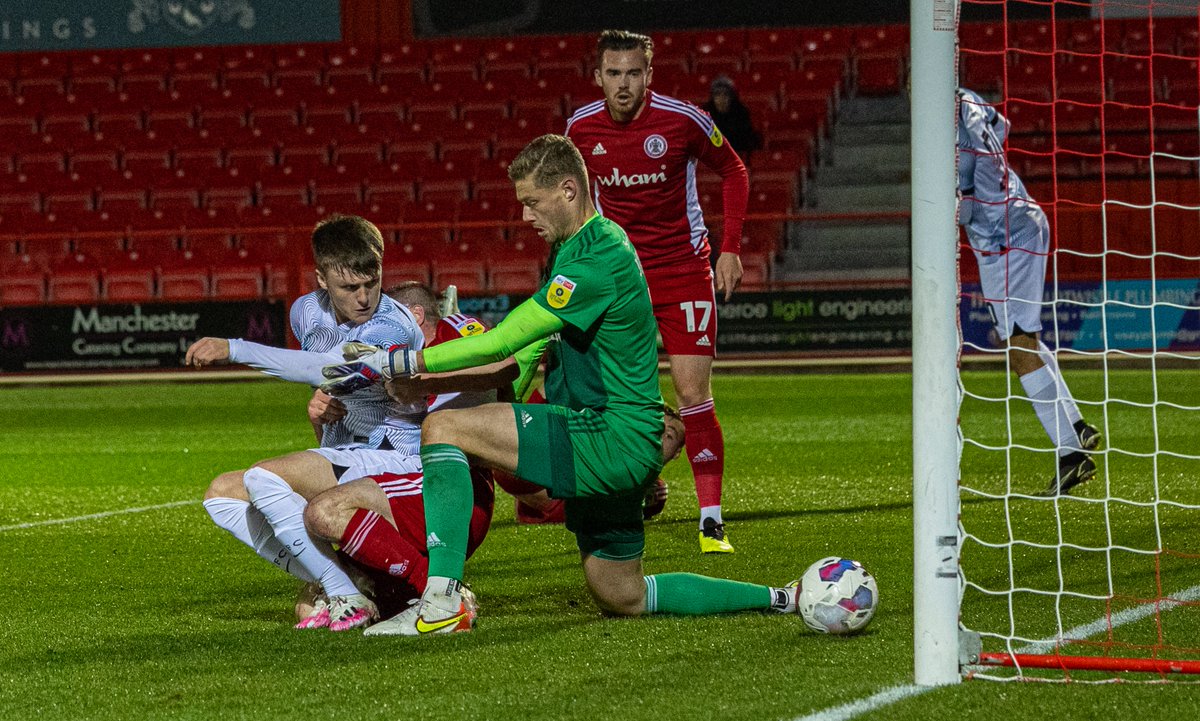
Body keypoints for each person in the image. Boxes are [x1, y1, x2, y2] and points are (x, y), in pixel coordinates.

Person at [321, 135, 800, 637]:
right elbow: (525, 353)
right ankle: (783, 597)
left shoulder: (595, 258)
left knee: (444, 429)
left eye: (532, 201)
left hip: (605, 435)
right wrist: (488, 391)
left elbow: (503, 340)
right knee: (623, 593)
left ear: (568, 190)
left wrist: (398, 359)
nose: (526, 216)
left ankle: (441, 602)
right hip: (624, 443)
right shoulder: (580, 248)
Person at [187, 214, 426, 631]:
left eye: (372, 282)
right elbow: (330, 383)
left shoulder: (392, 325)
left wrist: (235, 348)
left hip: (396, 455)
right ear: (321, 279)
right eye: (350, 287)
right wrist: (325, 406)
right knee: (221, 494)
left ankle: (344, 592)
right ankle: (347, 580)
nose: (364, 297)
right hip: (348, 450)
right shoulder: (305, 314)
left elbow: (329, 368)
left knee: (264, 478)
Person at [565, 29, 750, 553]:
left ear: (650, 74)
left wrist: (730, 247)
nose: (624, 85)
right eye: (613, 74)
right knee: (622, 398)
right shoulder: (580, 128)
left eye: (633, 73)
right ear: (598, 76)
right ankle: (636, 484)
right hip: (619, 278)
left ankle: (711, 521)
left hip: (682, 271)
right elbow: (570, 200)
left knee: (692, 394)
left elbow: (734, 169)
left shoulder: (684, 120)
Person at [957, 88, 1102, 496]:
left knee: (1020, 348)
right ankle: (1076, 426)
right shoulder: (967, 100)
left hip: (1006, 234)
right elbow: (1003, 127)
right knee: (1024, 338)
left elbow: (966, 207)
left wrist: (950, 200)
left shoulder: (945, 133)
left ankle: (1071, 455)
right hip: (1012, 223)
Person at [702, 75, 761, 160]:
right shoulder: (705, 113)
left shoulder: (741, 113)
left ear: (731, 97)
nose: (721, 99)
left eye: (725, 95)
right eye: (718, 95)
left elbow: (746, 140)